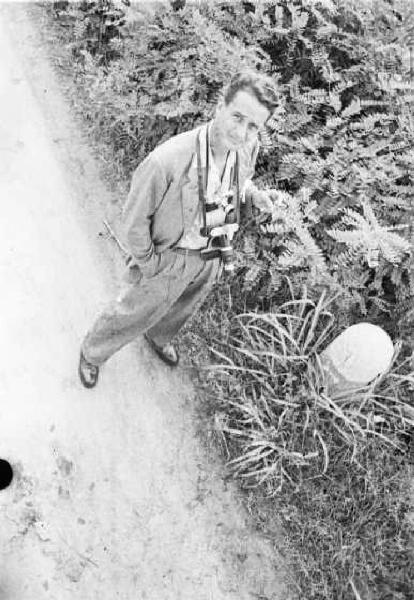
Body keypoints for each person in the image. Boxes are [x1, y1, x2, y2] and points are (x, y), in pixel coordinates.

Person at [78, 69, 279, 388]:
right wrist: (151, 263)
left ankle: (158, 336)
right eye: (238, 117)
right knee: (134, 310)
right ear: (219, 107)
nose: (242, 132)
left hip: (212, 251)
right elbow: (133, 222)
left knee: (185, 304)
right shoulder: (167, 161)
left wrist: (254, 195)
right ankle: (93, 352)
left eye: (253, 126)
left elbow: (237, 179)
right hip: (171, 255)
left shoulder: (246, 148)